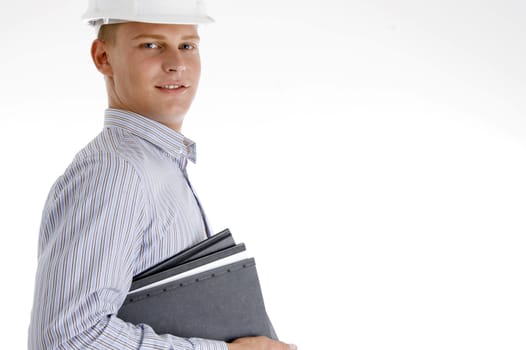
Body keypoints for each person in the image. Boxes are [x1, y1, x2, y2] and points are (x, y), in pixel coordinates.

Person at [28, 1, 297, 349]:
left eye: (187, 45)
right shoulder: (116, 172)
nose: (177, 64)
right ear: (103, 57)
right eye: (151, 44)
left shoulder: (157, 165)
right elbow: (69, 339)